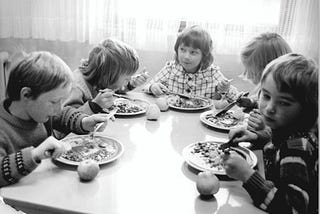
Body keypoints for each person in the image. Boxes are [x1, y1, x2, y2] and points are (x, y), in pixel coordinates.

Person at [222, 53, 318, 214]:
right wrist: (256, 137)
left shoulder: (296, 151)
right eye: (266, 96)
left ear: (306, 108)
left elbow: (292, 208)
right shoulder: (289, 129)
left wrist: (247, 175)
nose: (269, 108)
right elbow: (277, 141)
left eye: (283, 102)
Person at [0, 51, 111, 187]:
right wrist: (35, 155)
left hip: (45, 186)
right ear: (27, 94)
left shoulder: (38, 111)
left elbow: (62, 114)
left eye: (61, 101)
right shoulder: (3, 128)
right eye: (54, 102)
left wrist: (83, 122)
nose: (58, 108)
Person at [143, 25, 239, 102]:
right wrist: (152, 87)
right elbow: (146, 87)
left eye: (193, 52)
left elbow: (235, 98)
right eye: (182, 50)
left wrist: (225, 89)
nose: (186, 56)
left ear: (204, 55)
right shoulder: (171, 68)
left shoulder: (212, 72)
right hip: (175, 119)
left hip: (201, 120)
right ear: (177, 50)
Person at [64, 38, 149, 115]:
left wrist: (131, 84)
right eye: (126, 78)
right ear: (107, 76)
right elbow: (64, 118)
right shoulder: (77, 87)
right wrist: (94, 106)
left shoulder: (101, 78)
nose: (130, 79)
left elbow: (114, 87)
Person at [237, 33, 292, 132]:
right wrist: (251, 102)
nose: (247, 76)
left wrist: (266, 126)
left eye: (251, 72)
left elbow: (287, 132)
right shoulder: (268, 89)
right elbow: (261, 101)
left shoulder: (287, 97)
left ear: (266, 69)